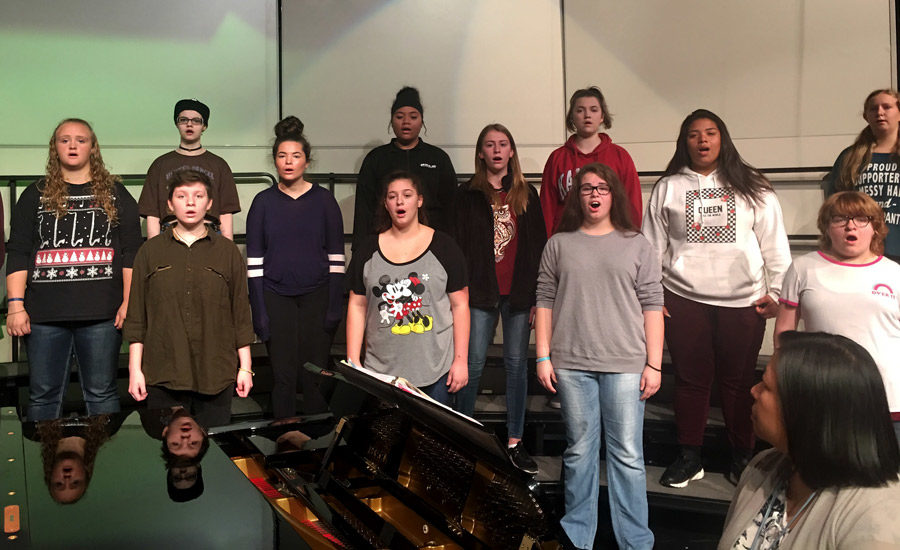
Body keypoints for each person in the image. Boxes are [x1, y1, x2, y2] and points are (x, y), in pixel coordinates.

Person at [642, 109, 792, 488]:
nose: (703, 141)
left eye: (710, 133)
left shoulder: (753, 185)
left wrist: (777, 292)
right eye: (694, 134)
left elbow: (775, 244)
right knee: (691, 381)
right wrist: (651, 295)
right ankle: (690, 455)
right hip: (682, 298)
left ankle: (743, 455)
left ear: (723, 138)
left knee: (740, 383)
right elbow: (650, 248)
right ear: (684, 142)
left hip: (743, 302)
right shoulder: (669, 187)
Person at [535, 163, 663, 550]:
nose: (594, 194)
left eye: (602, 188)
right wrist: (543, 356)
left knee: (626, 454)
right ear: (577, 195)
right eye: (587, 188)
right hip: (571, 362)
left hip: (625, 364)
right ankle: (577, 536)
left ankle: (636, 541)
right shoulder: (559, 244)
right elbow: (544, 301)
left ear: (613, 195)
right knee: (579, 452)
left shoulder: (637, 243)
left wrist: (654, 364)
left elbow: (653, 305)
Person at [6, 118, 143, 421]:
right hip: (43, 316)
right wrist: (15, 306)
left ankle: (106, 466)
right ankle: (48, 466)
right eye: (64, 139)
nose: (72, 145)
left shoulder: (117, 194)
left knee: (102, 393)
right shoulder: (34, 195)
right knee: (43, 397)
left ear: (93, 147)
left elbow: (132, 253)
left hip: (103, 315)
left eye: (80, 140)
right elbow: (17, 251)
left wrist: (129, 302)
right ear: (54, 148)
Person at [718, 331, 900, 549]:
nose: (753, 391)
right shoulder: (765, 466)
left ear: (806, 410)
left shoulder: (874, 516)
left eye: (766, 386)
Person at [124, 170, 254, 428]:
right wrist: (134, 370)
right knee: (168, 454)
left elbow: (240, 312)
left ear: (210, 203)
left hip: (215, 371)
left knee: (215, 454)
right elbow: (137, 316)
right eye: (182, 196)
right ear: (170, 204)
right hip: (163, 372)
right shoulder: (150, 251)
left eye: (198, 196)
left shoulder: (227, 252)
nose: (191, 202)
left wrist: (246, 367)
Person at [451, 123, 546, 473]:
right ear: (480, 153)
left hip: (519, 294)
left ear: (511, 152)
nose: (496, 150)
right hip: (478, 294)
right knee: (471, 365)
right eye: (489, 145)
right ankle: (462, 436)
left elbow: (539, 248)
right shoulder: (466, 196)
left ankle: (515, 441)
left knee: (516, 366)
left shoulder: (526, 194)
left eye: (502, 144)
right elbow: (456, 247)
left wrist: (538, 296)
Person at [775, 191, 900, 441]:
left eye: (860, 218)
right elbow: (784, 334)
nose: (850, 226)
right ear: (827, 227)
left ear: (875, 227)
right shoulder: (803, 268)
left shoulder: (894, 273)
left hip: (888, 398)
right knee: (824, 477)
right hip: (822, 396)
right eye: (840, 219)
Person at [246, 116, 345, 419]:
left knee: (314, 378)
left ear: (307, 160)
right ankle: (283, 443)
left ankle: (316, 447)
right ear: (275, 160)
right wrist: (259, 311)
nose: (288, 162)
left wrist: (334, 306)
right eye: (282, 156)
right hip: (277, 298)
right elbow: (253, 263)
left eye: (296, 156)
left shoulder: (325, 201)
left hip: (317, 296)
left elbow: (337, 258)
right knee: (284, 378)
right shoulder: (262, 203)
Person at [346, 171, 469, 405]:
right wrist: (354, 362)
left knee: (432, 441)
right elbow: (357, 304)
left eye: (407, 195)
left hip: (435, 373)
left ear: (419, 200)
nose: (399, 201)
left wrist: (461, 361)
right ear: (386, 204)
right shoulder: (367, 249)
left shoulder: (444, 247)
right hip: (381, 374)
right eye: (392, 197)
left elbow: (461, 305)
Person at [351, 86, 457, 251]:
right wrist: (360, 251)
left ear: (422, 121)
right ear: (391, 120)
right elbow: (364, 212)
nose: (406, 122)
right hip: (385, 244)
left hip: (431, 244)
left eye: (413, 116)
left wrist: (451, 249)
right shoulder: (376, 159)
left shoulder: (437, 158)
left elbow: (451, 210)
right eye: (400, 116)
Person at [540, 86, 642, 236]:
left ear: (602, 116)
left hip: (611, 240)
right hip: (567, 240)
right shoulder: (557, 158)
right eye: (580, 110)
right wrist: (547, 244)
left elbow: (632, 204)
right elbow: (547, 208)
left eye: (593, 110)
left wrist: (630, 239)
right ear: (572, 117)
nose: (587, 115)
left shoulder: (620, 156)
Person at [139, 98, 241, 239]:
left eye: (196, 120)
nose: (189, 124)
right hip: (170, 235)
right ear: (177, 123)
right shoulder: (160, 164)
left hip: (209, 236)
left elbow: (225, 213)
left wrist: (228, 250)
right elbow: (152, 214)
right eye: (183, 120)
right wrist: (154, 250)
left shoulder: (218, 165)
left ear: (204, 126)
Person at [823, 89, 900, 261]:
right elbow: (835, 205)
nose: (880, 112)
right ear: (866, 116)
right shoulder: (850, 158)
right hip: (861, 250)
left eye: (886, 107)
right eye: (873, 108)